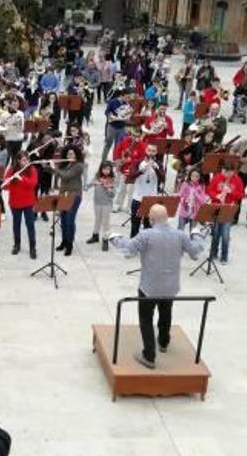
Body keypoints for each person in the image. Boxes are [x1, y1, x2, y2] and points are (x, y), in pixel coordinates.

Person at [110, 204, 205, 369]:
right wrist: (197, 235)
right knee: (166, 313)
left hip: (149, 286)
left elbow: (128, 248)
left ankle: (149, 355)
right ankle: (163, 342)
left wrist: (114, 238)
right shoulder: (180, 235)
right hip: (170, 287)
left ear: (151, 219)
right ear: (167, 217)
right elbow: (195, 251)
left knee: (146, 319)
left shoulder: (146, 234)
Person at [48, 145, 85, 256]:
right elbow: (60, 177)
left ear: (76, 154)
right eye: (68, 154)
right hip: (63, 195)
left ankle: (69, 244)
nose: (70, 155)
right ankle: (64, 241)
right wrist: (49, 167)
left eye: (72, 154)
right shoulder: (65, 164)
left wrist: (54, 169)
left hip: (74, 195)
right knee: (63, 220)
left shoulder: (79, 166)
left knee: (69, 220)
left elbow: (67, 176)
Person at [207, 163, 246, 264]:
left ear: (233, 171)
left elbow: (242, 195)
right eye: (224, 172)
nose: (226, 175)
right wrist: (216, 196)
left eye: (229, 172)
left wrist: (231, 192)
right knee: (215, 233)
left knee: (225, 234)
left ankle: (224, 256)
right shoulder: (216, 178)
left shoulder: (237, 180)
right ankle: (213, 253)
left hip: (229, 209)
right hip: (216, 208)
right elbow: (209, 190)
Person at [5, 151, 38, 259]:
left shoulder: (32, 170)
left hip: (28, 202)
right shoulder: (12, 170)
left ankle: (32, 248)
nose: (26, 161)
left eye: (27, 159)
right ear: (18, 161)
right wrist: (8, 180)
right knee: (16, 225)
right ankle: (17, 245)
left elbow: (33, 184)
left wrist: (21, 178)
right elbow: (6, 186)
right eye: (24, 160)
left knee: (30, 225)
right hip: (15, 202)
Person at [129, 143, 162, 238]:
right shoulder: (139, 162)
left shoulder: (159, 164)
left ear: (156, 152)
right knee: (135, 224)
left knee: (148, 225)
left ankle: (146, 246)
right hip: (138, 197)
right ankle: (133, 246)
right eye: (149, 150)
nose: (151, 153)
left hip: (151, 199)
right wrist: (140, 171)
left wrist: (156, 169)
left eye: (153, 151)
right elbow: (131, 176)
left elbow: (163, 178)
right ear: (146, 151)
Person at [87, 160, 116, 251]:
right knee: (97, 220)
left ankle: (105, 239)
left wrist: (108, 188)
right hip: (97, 202)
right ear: (101, 169)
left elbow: (113, 195)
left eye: (108, 169)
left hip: (107, 204)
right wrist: (93, 183)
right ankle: (95, 235)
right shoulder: (97, 177)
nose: (106, 171)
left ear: (111, 170)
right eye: (104, 169)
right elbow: (87, 186)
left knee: (105, 222)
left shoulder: (112, 179)